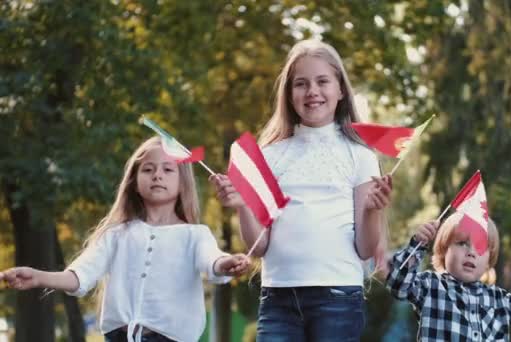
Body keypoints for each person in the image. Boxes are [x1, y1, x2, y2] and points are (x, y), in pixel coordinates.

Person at [210, 39, 392, 341]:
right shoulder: (269, 155)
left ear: (341, 90)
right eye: (301, 84)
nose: (312, 91)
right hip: (278, 298)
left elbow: (364, 247)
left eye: (322, 81)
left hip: (338, 296)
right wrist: (242, 205)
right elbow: (261, 246)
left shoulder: (360, 156)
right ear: (289, 94)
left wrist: (373, 210)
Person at [0, 136, 250, 342]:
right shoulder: (117, 235)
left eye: (167, 169)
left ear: (183, 182)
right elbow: (80, 275)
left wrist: (227, 263)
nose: (157, 175)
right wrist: (38, 276)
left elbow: (213, 262)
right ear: (134, 182)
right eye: (148, 169)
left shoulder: (195, 235)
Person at [386, 213, 511, 341]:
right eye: (462, 243)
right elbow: (398, 285)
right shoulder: (431, 286)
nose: (471, 252)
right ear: (443, 250)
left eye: (480, 247)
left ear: (488, 260)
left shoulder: (498, 298)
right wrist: (418, 244)